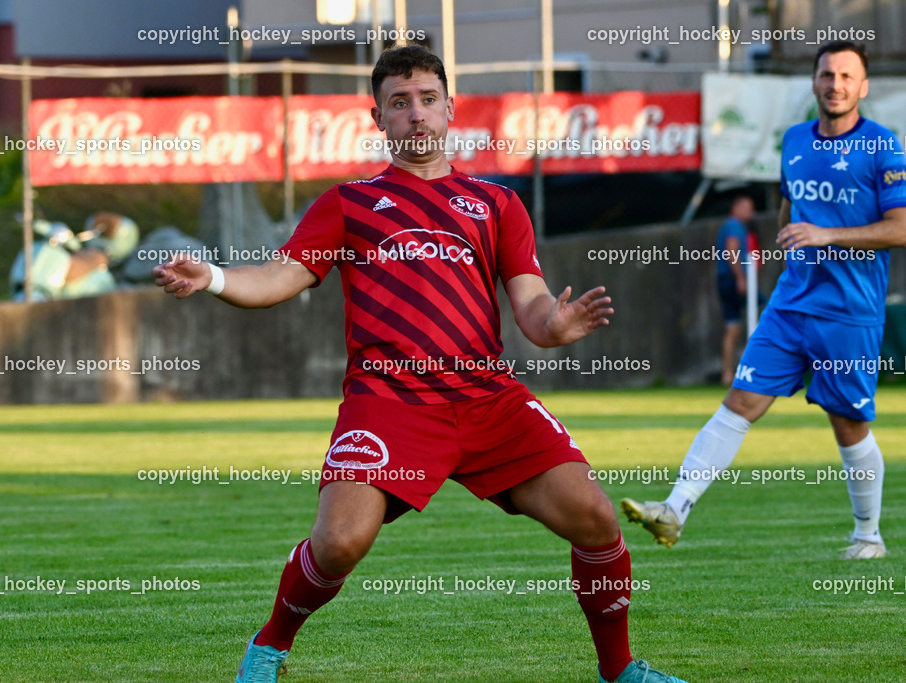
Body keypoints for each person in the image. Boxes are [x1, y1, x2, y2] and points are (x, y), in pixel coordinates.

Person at [154, 45, 685, 683]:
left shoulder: (497, 205)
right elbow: (280, 277)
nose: (416, 115)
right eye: (399, 103)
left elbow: (534, 307)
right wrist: (211, 275)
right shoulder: (348, 203)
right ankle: (269, 647)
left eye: (427, 99)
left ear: (450, 108)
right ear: (377, 118)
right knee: (339, 544)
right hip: (390, 404)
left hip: (489, 400)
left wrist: (557, 326)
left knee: (597, 521)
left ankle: (621, 671)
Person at [622, 41, 906, 559]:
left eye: (846, 76)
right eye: (826, 75)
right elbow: (788, 202)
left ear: (863, 87)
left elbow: (901, 228)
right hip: (790, 303)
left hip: (849, 311)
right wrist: (790, 238)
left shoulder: (883, 147)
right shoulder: (795, 140)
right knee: (740, 403)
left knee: (848, 423)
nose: (835, 84)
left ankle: (868, 536)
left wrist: (827, 236)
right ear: (815, 82)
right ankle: (674, 507)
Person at [715, 195, 758, 385]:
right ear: (736, 208)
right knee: (768, 309)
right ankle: (747, 358)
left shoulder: (732, 226)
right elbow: (731, 250)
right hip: (732, 280)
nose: (751, 212)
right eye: (747, 207)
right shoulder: (734, 226)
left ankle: (727, 373)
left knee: (732, 327)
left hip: (725, 280)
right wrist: (741, 278)